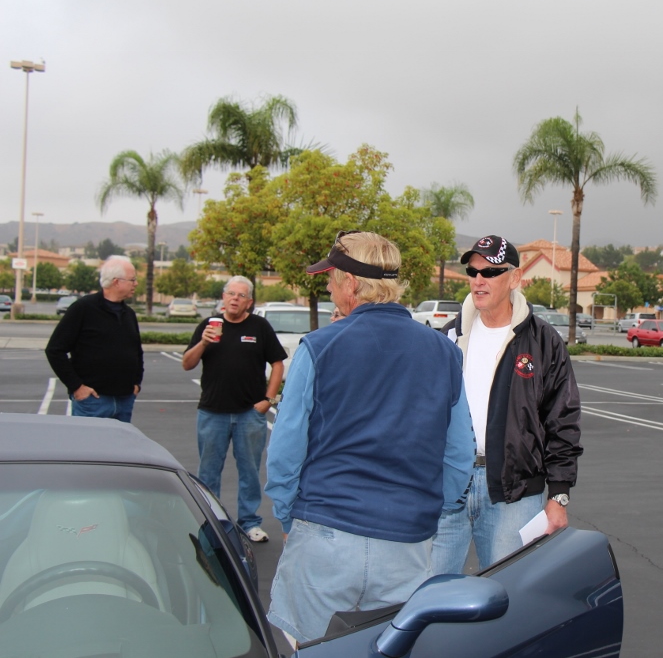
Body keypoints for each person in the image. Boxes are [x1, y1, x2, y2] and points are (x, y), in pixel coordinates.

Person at [265, 231, 473, 647]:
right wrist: (431, 513)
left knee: (311, 649)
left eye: (331, 277)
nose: (327, 286)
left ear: (352, 284)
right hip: (407, 545)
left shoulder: (319, 347)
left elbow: (286, 449)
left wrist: (290, 515)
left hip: (324, 536)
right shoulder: (444, 352)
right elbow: (459, 454)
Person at [431, 235, 583, 574]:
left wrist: (558, 495)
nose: (478, 280)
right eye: (472, 271)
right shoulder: (448, 338)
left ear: (514, 278)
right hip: (449, 484)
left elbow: (563, 420)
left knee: (506, 594)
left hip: (514, 493)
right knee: (428, 594)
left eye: (491, 271)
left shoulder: (543, 342)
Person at [182, 276, 286, 544]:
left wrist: (268, 399)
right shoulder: (208, 326)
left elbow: (277, 364)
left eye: (241, 295)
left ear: (249, 302)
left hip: (249, 414)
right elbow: (186, 364)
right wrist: (204, 342)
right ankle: (211, 519)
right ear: (223, 297)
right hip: (212, 412)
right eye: (231, 294)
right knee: (208, 471)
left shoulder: (259, 327)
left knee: (250, 471)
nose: (235, 299)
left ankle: (250, 522)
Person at [45, 255, 143, 423]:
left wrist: (136, 384)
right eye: (132, 279)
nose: (136, 284)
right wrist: (77, 386)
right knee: (88, 448)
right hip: (93, 402)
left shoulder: (129, 314)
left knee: (118, 449)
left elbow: (136, 352)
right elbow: (55, 350)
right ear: (116, 281)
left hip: (124, 400)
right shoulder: (83, 309)